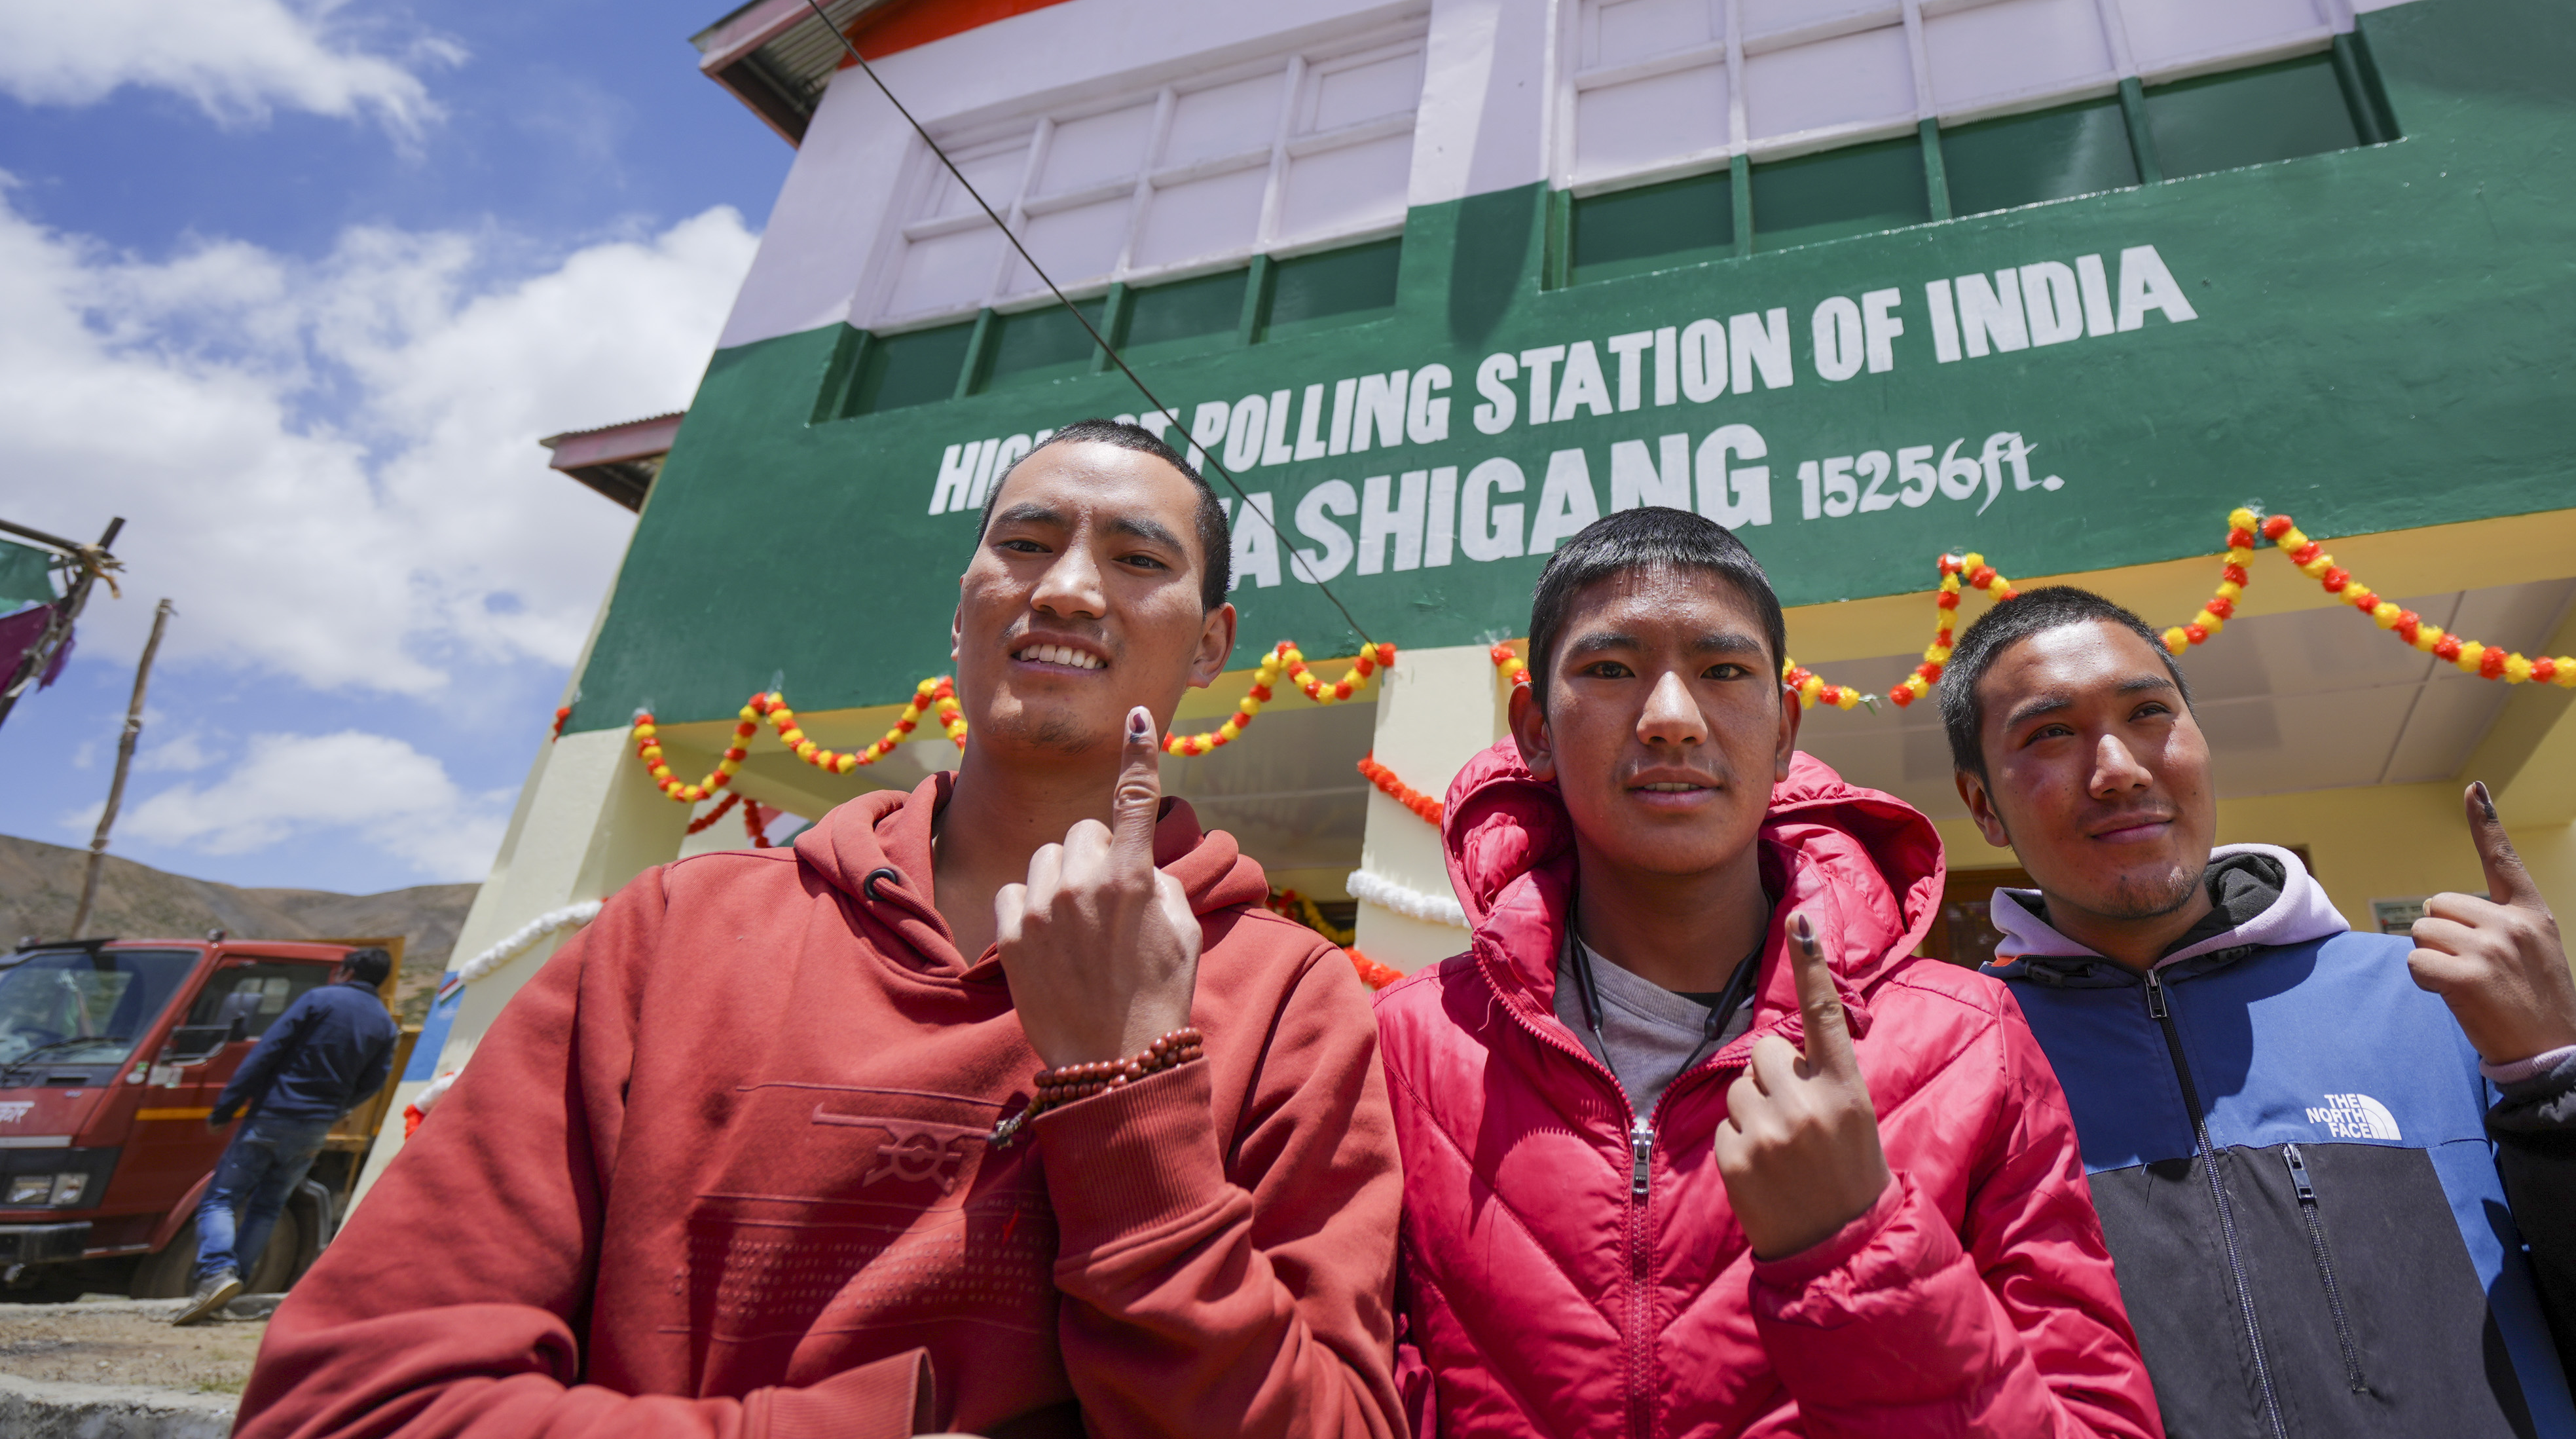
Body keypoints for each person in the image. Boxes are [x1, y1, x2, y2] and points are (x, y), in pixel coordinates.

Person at [237, 420, 1406, 1439]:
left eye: (1140, 559)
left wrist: (1125, 1088)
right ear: (963, 606)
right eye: (1025, 543)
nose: (1066, 589)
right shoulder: (673, 937)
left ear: (1212, 645)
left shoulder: (1291, 1000)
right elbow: (347, 1405)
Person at [1939, 583, 2576, 1439]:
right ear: (1982, 805)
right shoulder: (1963, 1069)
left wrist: (2563, 1078)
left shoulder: (2442, 1005)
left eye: (2150, 713)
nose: (2120, 769)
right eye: (2050, 733)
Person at [1374, 508, 2165, 1439]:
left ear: (1784, 728)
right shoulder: (1403, 1045)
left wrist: (1857, 1247)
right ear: (1535, 730)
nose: (1671, 719)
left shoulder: (1967, 1043)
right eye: (1611, 669)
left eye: (1723, 672)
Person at [174, 946, 398, 1325]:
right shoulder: (384, 1023)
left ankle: (215, 1273)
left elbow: (267, 1052)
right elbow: (374, 1082)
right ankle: (232, 1285)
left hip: (273, 1114)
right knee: (268, 1205)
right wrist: (337, 1108)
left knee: (220, 1200)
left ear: (346, 971)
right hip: (315, 1127)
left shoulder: (318, 1000)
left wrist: (226, 1106)